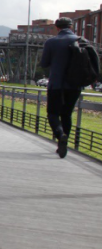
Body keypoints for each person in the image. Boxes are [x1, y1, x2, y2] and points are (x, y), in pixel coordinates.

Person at [39, 17, 100, 158]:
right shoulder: (82, 41)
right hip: (75, 85)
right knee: (67, 114)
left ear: (57, 27)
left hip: (56, 84)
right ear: (71, 26)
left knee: (53, 114)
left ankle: (60, 135)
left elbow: (44, 63)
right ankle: (64, 142)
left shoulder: (51, 42)